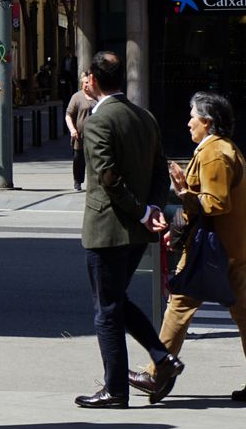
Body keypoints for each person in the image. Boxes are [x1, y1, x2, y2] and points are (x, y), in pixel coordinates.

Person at [132, 90, 246, 406]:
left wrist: (184, 192)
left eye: (192, 117)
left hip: (215, 250)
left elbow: (214, 203)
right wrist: (178, 227)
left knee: (180, 302)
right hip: (230, 247)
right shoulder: (221, 149)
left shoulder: (214, 153)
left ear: (207, 122)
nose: (188, 123)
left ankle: (159, 373)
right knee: (245, 312)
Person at [76, 50, 178, 410]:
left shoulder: (98, 121)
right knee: (117, 299)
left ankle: (115, 389)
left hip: (108, 229)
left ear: (93, 79)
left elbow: (107, 178)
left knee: (106, 309)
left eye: (86, 75)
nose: (83, 81)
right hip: (137, 232)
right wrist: (152, 208)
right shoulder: (144, 117)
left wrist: (140, 212)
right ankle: (162, 359)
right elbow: (161, 171)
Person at [65, 70, 95, 192]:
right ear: (81, 84)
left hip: (94, 135)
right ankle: (77, 181)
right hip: (80, 136)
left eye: (88, 82)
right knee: (79, 160)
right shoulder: (77, 97)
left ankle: (94, 183)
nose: (87, 85)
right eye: (84, 83)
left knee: (94, 159)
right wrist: (72, 130)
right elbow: (68, 115)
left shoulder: (97, 96)